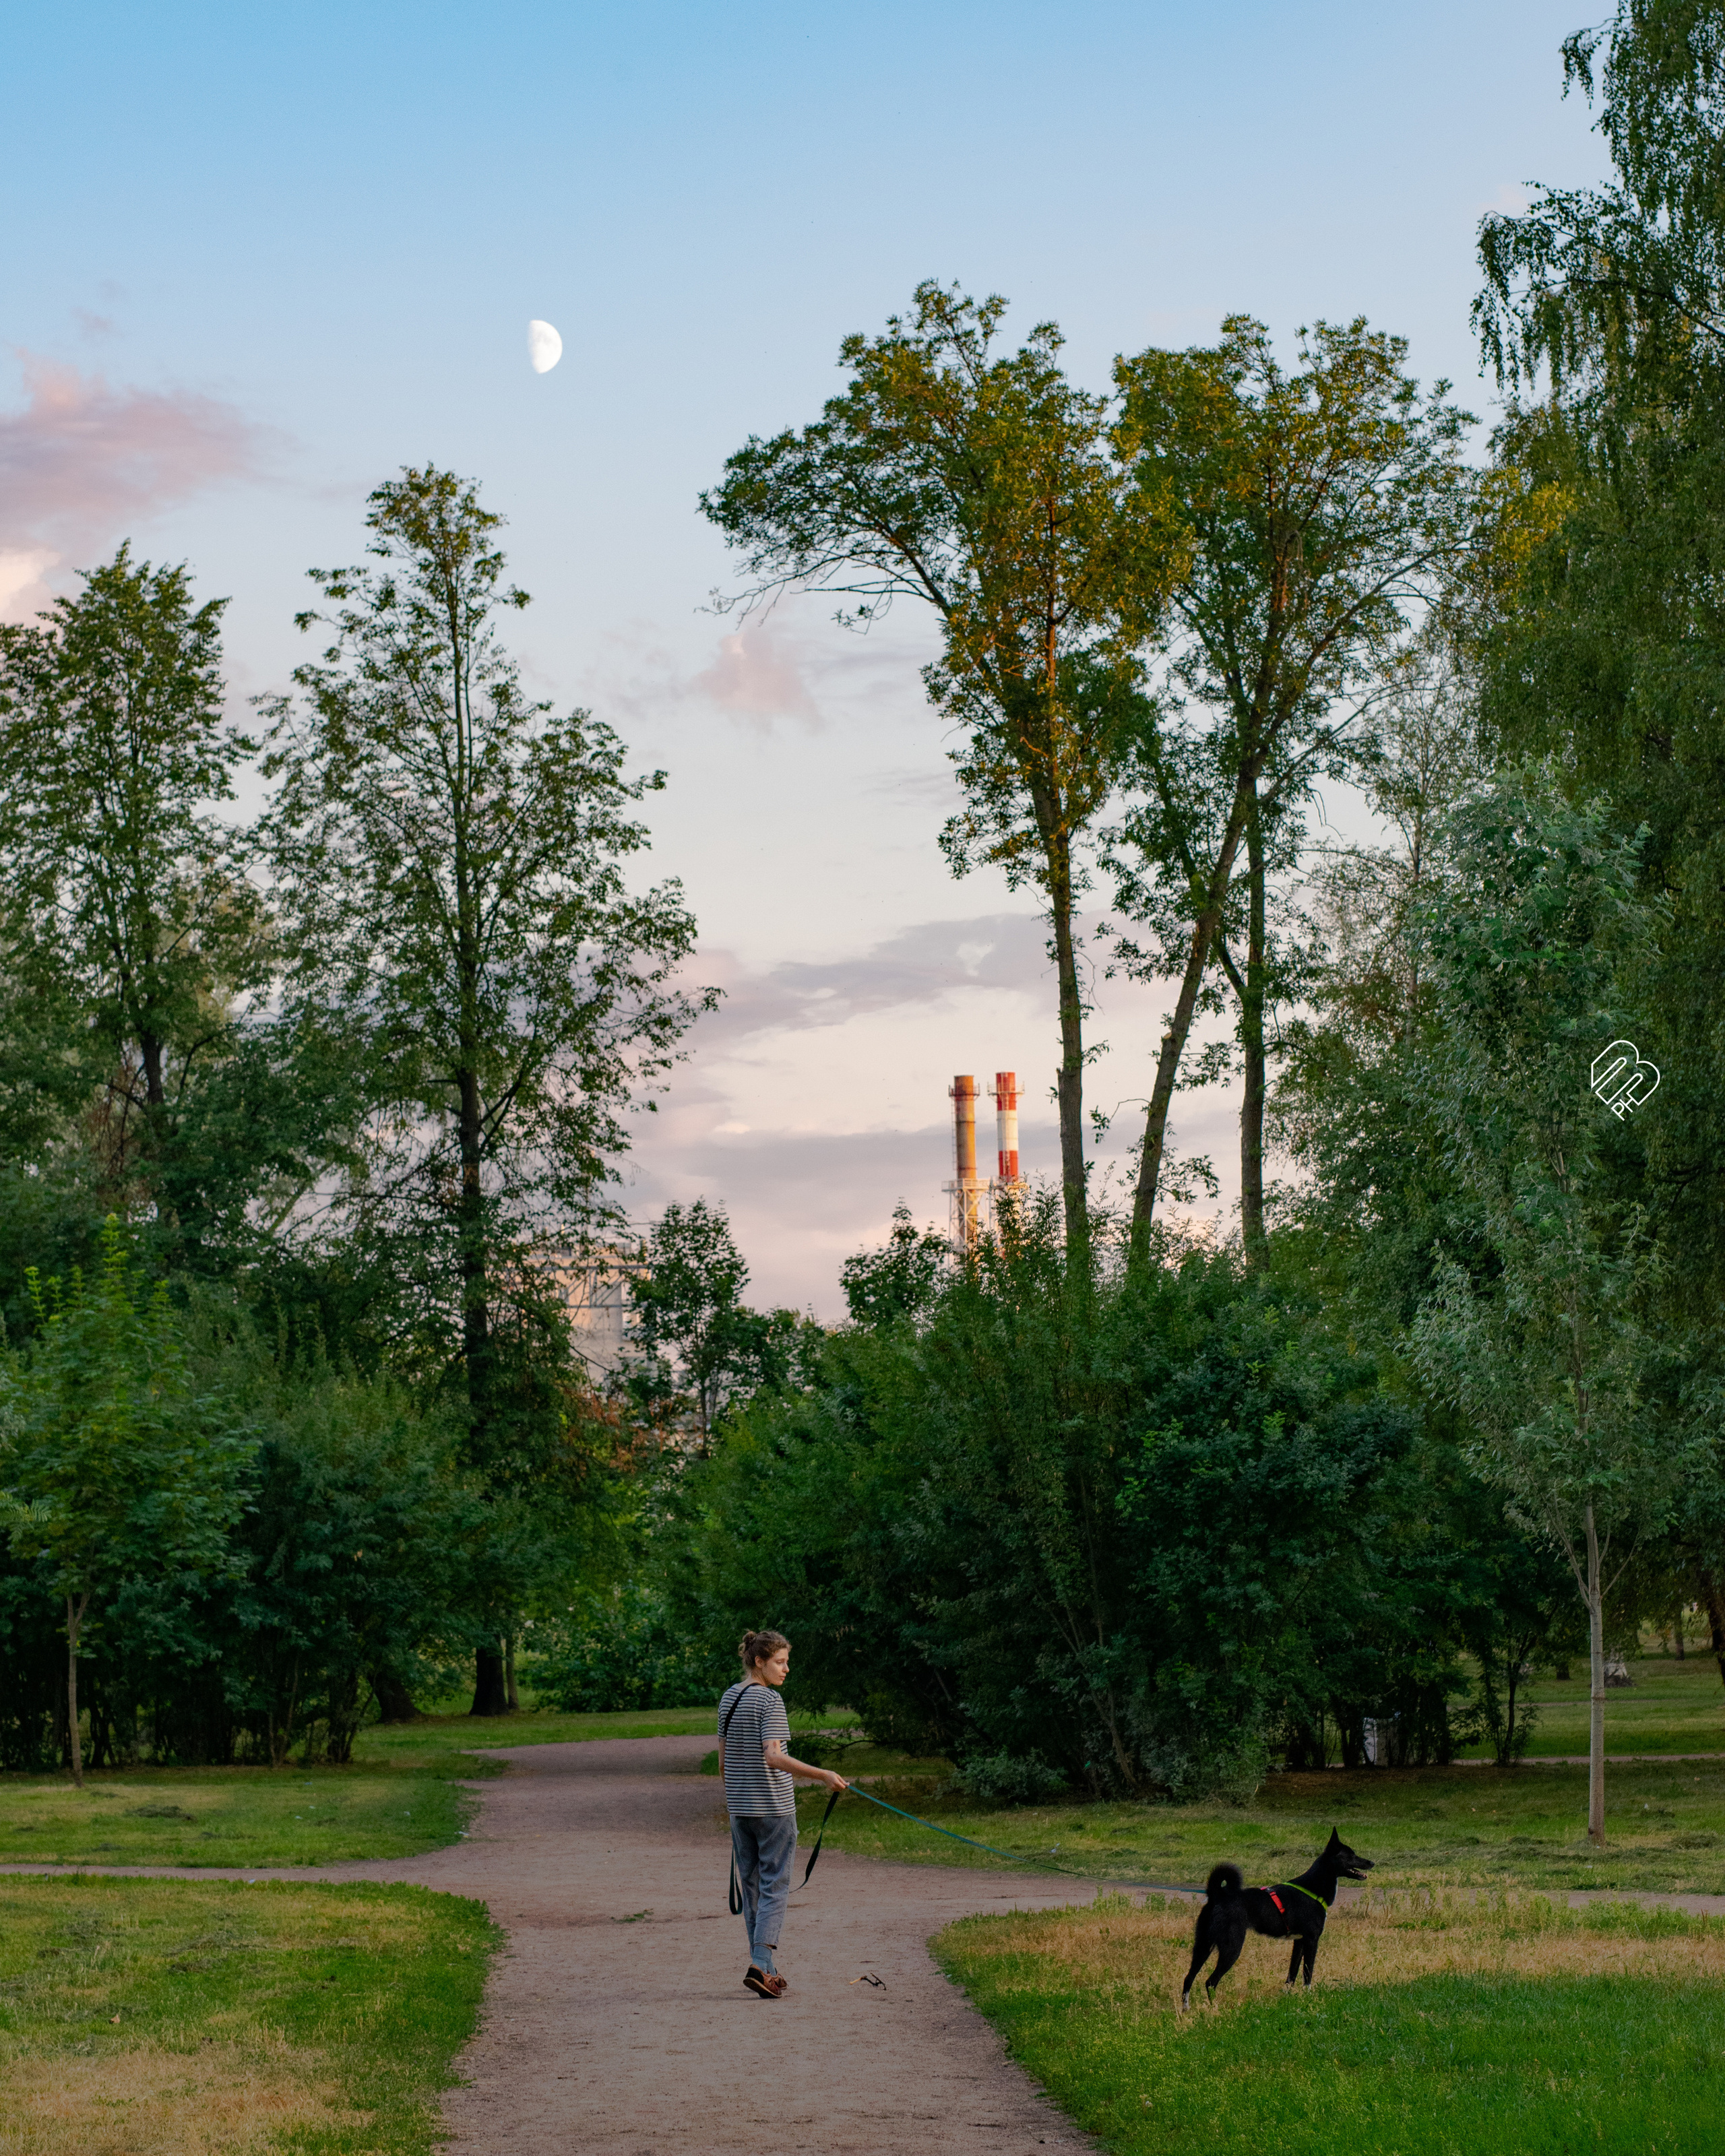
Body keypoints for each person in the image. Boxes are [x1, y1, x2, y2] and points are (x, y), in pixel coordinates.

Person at [718, 1628, 846, 1998]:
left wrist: (739, 1796)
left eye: (787, 1662)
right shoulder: (770, 1701)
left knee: (754, 1887)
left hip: (739, 1810)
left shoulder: (729, 1698)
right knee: (775, 1886)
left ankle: (767, 1972)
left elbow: (724, 1765)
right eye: (780, 1662)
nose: (786, 1669)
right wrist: (823, 1774)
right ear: (759, 1661)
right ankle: (759, 1962)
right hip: (773, 1810)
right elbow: (773, 1756)